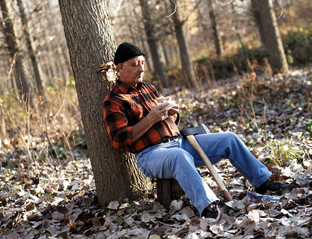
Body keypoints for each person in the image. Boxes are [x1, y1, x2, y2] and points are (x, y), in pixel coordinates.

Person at [103, 42, 288, 220]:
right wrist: (150, 119)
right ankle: (208, 205)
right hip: (150, 154)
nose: (141, 69)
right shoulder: (114, 100)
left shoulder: (148, 88)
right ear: (120, 67)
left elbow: (169, 120)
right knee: (178, 156)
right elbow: (119, 140)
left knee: (229, 139)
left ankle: (262, 182)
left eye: (143, 63)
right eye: (135, 65)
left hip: (181, 142)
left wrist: (172, 113)